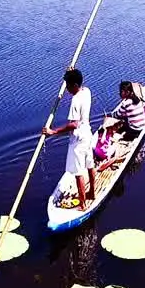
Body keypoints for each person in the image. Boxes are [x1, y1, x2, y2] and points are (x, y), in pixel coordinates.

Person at [43, 68, 96, 211]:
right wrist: (72, 72)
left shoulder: (75, 100)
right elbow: (80, 82)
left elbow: (73, 124)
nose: (66, 89)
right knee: (90, 164)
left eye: (68, 85)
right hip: (88, 134)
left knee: (79, 172)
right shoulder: (87, 91)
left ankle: (83, 204)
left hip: (78, 139)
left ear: (74, 85)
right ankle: (92, 192)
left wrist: (53, 132)